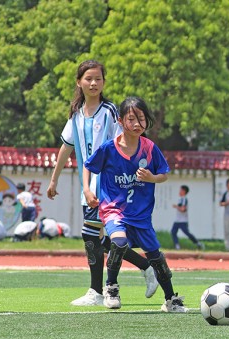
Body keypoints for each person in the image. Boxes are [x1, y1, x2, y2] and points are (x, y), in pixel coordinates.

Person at [46, 60, 157, 306]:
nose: (93, 83)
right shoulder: (76, 114)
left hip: (108, 186)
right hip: (87, 185)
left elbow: (124, 144)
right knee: (97, 239)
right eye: (88, 78)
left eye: (98, 79)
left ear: (104, 82)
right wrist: (54, 180)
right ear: (79, 82)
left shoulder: (109, 112)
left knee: (90, 235)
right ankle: (146, 266)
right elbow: (66, 146)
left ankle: (97, 291)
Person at [84, 96, 186, 313]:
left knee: (155, 256)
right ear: (121, 121)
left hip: (141, 215)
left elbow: (164, 174)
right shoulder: (109, 149)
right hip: (114, 210)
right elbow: (89, 165)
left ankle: (171, 300)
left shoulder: (150, 148)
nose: (137, 124)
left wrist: (151, 178)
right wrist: (87, 189)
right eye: (131, 119)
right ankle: (111, 288)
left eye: (141, 118)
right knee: (119, 242)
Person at [170, 185, 204, 250]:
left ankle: (198, 243)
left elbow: (183, 209)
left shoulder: (184, 199)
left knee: (187, 233)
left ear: (184, 191)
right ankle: (177, 246)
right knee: (173, 232)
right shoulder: (180, 199)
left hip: (183, 220)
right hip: (177, 220)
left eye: (180, 190)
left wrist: (176, 206)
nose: (179, 191)